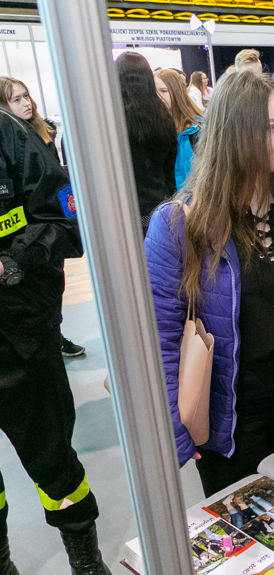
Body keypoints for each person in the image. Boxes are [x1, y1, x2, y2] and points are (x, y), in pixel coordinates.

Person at [145, 72, 274, 496]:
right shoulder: (179, 224)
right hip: (233, 413)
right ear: (235, 134)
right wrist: (177, 429)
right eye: (271, 128)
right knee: (249, 535)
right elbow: (160, 341)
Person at [0, 106, 111, 574]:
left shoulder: (13, 138)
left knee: (53, 463)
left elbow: (64, 223)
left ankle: (85, 561)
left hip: (20, 339)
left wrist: (11, 264)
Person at [0, 76, 87, 358]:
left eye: (26, 96)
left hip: (40, 255)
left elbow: (58, 209)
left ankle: (57, 331)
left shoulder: (40, 134)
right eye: (17, 99)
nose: (26, 103)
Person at [116, 51, 177, 236]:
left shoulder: (112, 121)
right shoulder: (164, 117)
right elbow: (169, 168)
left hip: (125, 212)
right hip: (160, 208)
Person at [155, 69, 203, 189]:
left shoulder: (198, 129)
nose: (159, 97)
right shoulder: (155, 128)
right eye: (154, 92)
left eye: (164, 91)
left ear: (176, 92)